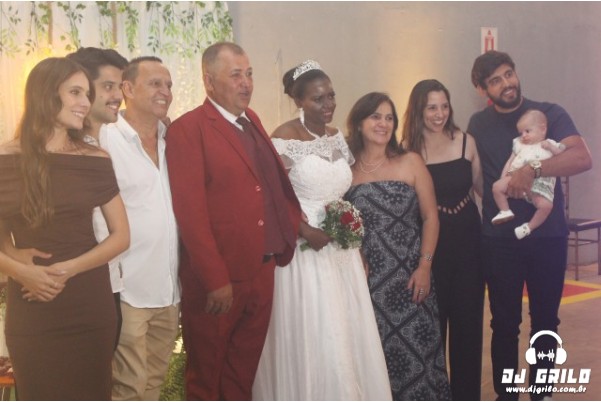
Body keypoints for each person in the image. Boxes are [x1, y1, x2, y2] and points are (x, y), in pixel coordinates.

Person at [165, 42, 301, 400]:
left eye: (250, 74)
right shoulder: (188, 129)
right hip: (220, 279)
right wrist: (215, 279)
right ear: (209, 82)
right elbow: (190, 213)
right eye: (236, 75)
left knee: (242, 373)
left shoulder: (251, 119)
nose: (246, 83)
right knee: (206, 378)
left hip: (263, 267)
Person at [252, 60, 391, 400]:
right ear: (298, 100)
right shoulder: (284, 137)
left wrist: (352, 233)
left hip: (342, 252)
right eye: (318, 99)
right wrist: (303, 230)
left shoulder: (336, 138)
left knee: (347, 327)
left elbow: (341, 193)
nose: (328, 105)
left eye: (331, 96)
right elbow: (271, 197)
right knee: (318, 329)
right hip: (305, 252)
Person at [0, 57, 129, 400]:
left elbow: (121, 236)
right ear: (45, 93)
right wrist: (19, 269)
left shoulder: (95, 160)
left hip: (89, 303)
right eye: (75, 92)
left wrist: (66, 269)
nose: (85, 103)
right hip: (31, 305)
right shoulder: (4, 159)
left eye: (86, 94)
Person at [467, 50, 592, 401]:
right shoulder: (478, 124)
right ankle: (506, 396)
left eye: (509, 74)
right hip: (500, 239)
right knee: (504, 324)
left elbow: (582, 157)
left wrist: (533, 170)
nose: (506, 83)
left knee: (546, 322)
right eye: (495, 80)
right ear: (483, 89)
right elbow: (478, 178)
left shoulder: (549, 114)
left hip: (547, 236)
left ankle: (542, 394)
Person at [344, 92, 451, 401]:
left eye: (389, 118)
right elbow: (340, 221)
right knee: (376, 356)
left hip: (410, 277)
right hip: (368, 281)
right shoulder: (346, 170)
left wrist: (425, 267)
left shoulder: (410, 161)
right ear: (359, 123)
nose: (383, 123)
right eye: (375, 116)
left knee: (419, 354)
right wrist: (356, 253)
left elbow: (431, 218)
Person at [102, 56, 180, 400]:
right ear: (128, 89)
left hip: (169, 288)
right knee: (128, 387)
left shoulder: (174, 139)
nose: (165, 92)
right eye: (155, 84)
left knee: (154, 384)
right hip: (127, 287)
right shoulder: (106, 138)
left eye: (168, 85)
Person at [401, 79, 484, 400]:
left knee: (468, 331)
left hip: (469, 248)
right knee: (431, 332)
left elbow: (481, 190)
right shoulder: (407, 150)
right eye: (431, 107)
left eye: (444, 106)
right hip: (429, 252)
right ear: (418, 110)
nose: (439, 114)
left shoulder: (466, 142)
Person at [67, 47, 128, 348]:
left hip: (110, 282)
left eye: (119, 87)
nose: (118, 96)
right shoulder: (63, 151)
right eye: (108, 86)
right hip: (74, 286)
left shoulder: (110, 141)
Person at [492, 109, 566, 239]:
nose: (523, 135)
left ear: (542, 129)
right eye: (521, 133)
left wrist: (551, 147)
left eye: (527, 131)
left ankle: (528, 227)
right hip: (516, 178)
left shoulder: (550, 144)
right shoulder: (519, 144)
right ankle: (505, 210)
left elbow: (563, 157)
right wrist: (504, 177)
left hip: (539, 185)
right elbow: (510, 161)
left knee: (546, 206)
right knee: (496, 187)